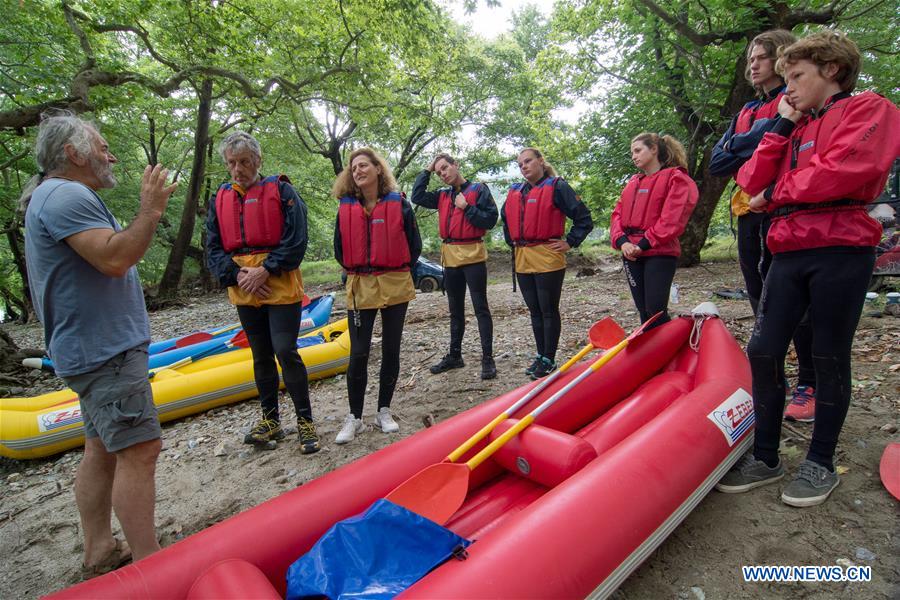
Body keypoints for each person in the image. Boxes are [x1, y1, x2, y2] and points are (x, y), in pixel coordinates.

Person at [717, 31, 900, 507]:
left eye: (797, 76)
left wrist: (777, 194)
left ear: (832, 70)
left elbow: (846, 170)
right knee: (762, 349)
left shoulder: (870, 109)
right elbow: (749, 179)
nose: (788, 85)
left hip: (842, 248)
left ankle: (820, 463)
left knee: (828, 354)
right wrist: (779, 128)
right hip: (789, 248)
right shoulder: (794, 125)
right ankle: (767, 455)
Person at [22, 112, 177, 577]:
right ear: (72, 153)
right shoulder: (66, 194)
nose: (111, 155)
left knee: (102, 447)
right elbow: (115, 258)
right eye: (102, 146)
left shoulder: (54, 195)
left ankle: (99, 549)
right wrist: (149, 210)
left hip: (86, 349)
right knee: (140, 448)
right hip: (104, 352)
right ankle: (151, 567)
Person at [709, 29, 818, 423]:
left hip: (783, 209)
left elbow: (790, 141)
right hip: (747, 211)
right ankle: (774, 379)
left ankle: (810, 381)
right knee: (759, 295)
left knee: (793, 300)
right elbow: (717, 162)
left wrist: (747, 141)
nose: (752, 65)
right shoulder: (744, 112)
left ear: (781, 58)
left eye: (760, 58)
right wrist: (759, 133)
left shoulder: (796, 102)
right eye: (750, 59)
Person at [206, 132, 319, 454]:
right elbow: (213, 247)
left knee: (285, 349)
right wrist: (237, 274)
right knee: (260, 354)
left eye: (244, 162)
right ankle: (271, 420)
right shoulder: (221, 198)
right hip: (243, 286)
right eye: (232, 163)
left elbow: (297, 239)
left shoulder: (283, 192)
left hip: (279, 283)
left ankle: (305, 420)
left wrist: (266, 269)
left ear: (258, 161)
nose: (237, 169)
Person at [333, 148, 422, 444]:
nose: (357, 171)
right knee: (358, 352)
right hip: (360, 285)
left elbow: (414, 244)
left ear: (378, 169)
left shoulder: (401, 204)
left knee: (391, 349)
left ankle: (384, 410)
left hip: (394, 282)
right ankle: (354, 417)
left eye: (363, 165)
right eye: (353, 167)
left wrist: (393, 269)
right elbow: (339, 249)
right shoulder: (345, 208)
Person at [501, 147, 593, 380]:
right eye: (520, 164)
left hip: (548, 256)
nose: (524, 166)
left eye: (528, 161)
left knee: (547, 310)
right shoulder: (516, 191)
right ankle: (541, 355)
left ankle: (549, 359)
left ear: (541, 161)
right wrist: (512, 242)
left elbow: (583, 218)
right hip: (523, 257)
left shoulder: (557, 187)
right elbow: (506, 220)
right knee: (534, 311)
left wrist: (570, 242)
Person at [411, 153, 499, 380]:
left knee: (480, 308)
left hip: (473, 256)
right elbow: (417, 196)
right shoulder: (442, 195)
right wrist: (427, 170)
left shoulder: (479, 190)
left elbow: (490, 220)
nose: (443, 174)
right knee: (455, 310)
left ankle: (488, 358)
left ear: (455, 165)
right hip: (450, 258)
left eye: (445, 168)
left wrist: (467, 208)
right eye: (439, 171)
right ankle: (455, 355)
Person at [610, 133, 699, 328]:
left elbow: (672, 219)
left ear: (654, 149)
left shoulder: (676, 178)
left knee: (655, 310)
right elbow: (617, 215)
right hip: (631, 252)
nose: (633, 156)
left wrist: (643, 244)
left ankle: (671, 350)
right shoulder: (633, 183)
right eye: (632, 152)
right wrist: (623, 241)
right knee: (643, 310)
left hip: (659, 252)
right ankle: (650, 352)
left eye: (638, 150)